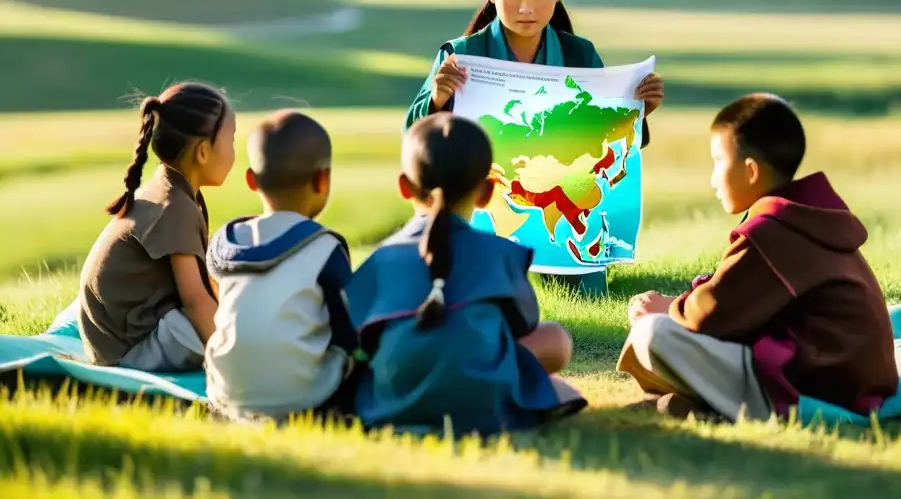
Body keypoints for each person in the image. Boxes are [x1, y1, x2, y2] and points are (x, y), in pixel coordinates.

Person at [404, 0, 664, 296]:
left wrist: (639, 111)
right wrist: (437, 99)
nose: (526, 8)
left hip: (560, 207)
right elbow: (414, 138)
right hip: (486, 205)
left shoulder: (580, 55)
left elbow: (602, 141)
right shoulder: (461, 56)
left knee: (587, 291)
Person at [618, 94, 898, 422]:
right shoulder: (806, 214)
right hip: (852, 376)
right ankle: (699, 405)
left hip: (815, 385)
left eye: (718, 162)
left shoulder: (774, 232)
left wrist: (668, 308)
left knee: (652, 333)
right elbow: (740, 299)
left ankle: (724, 406)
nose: (712, 179)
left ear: (751, 171)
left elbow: (711, 316)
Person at [345, 112, 587, 436]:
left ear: (404, 186)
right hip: (481, 397)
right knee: (555, 339)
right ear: (487, 192)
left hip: (393, 402)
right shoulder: (500, 253)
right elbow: (524, 326)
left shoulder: (382, 257)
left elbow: (354, 338)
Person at [204, 110, 357, 422]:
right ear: (322, 179)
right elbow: (348, 331)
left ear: (251, 180)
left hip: (225, 393)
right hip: (304, 399)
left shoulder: (225, 242)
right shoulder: (324, 247)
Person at [78, 82, 235, 371]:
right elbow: (196, 301)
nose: (234, 150)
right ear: (202, 152)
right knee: (220, 325)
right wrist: (237, 364)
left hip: (120, 337)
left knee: (231, 306)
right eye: (232, 140)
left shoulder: (173, 191)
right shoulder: (174, 206)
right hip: (126, 351)